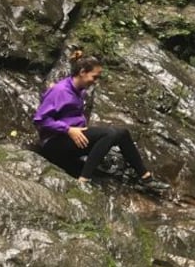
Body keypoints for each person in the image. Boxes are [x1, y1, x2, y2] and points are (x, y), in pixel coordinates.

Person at [33, 50, 166, 193]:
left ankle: (145, 178)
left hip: (73, 138)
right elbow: (40, 120)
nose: (95, 81)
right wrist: (68, 129)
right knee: (108, 134)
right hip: (55, 143)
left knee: (122, 133)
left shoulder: (78, 89)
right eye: (94, 77)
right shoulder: (60, 90)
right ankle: (84, 180)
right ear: (83, 72)